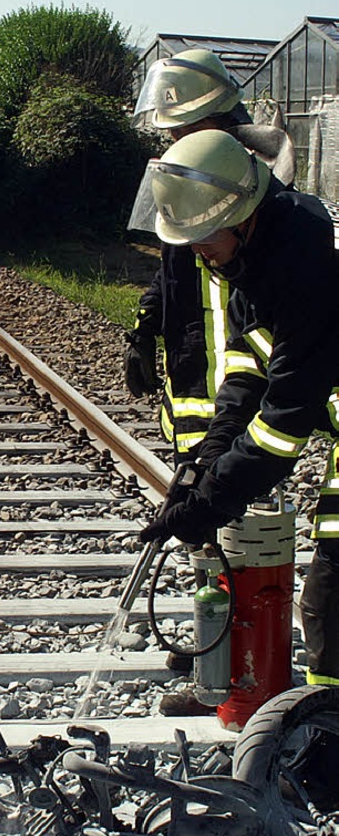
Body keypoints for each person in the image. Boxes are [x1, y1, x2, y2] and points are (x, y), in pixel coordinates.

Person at [140, 129, 339, 688]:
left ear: (241, 216)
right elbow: (248, 375)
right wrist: (203, 463)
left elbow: (284, 423)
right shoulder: (250, 259)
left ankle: (322, 741)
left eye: (205, 238)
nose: (197, 252)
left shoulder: (306, 263)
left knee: (332, 583)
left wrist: (214, 502)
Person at [126, 49, 296, 463]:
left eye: (179, 130)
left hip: (236, 372)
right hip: (194, 360)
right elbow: (171, 262)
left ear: (210, 117)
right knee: (196, 478)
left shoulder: (248, 179)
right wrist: (145, 327)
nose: (173, 141)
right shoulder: (193, 168)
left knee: (227, 477)